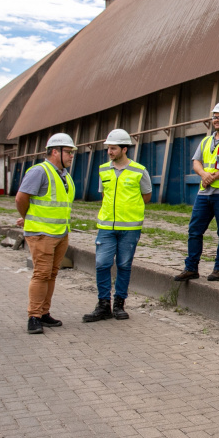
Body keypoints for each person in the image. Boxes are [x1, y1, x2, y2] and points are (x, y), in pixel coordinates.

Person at [82, 129, 152, 322]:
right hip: (106, 227)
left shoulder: (139, 170)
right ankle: (103, 304)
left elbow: (146, 196)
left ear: (124, 148)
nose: (109, 152)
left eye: (113, 148)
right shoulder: (103, 169)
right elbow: (103, 194)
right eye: (108, 148)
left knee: (124, 265)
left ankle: (119, 304)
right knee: (102, 264)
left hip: (130, 228)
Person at [174, 101, 219, 282]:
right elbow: (196, 161)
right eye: (214, 116)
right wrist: (204, 174)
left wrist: (213, 177)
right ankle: (191, 267)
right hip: (205, 193)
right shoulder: (206, 141)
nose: (216, 120)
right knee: (194, 230)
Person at [15, 133, 77, 335]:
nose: (71, 156)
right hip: (42, 234)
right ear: (55, 152)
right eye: (68, 152)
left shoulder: (64, 175)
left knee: (51, 274)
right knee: (41, 274)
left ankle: (44, 313)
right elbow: (21, 198)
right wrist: (28, 217)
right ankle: (33, 316)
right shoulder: (39, 172)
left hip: (60, 233)